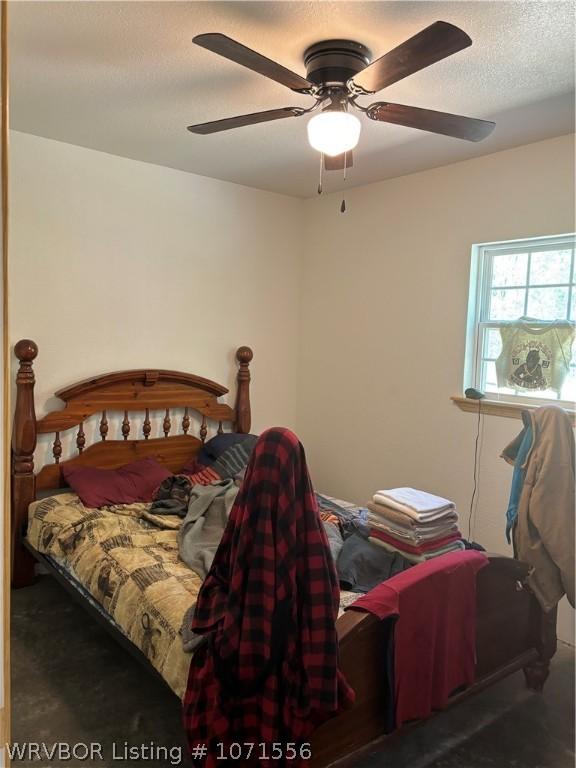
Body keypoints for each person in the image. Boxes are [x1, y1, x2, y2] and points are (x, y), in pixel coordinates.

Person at [182, 427, 355, 767]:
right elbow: (323, 596)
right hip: (292, 656)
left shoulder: (247, 518)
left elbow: (224, 570)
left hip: (247, 658)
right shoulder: (311, 532)